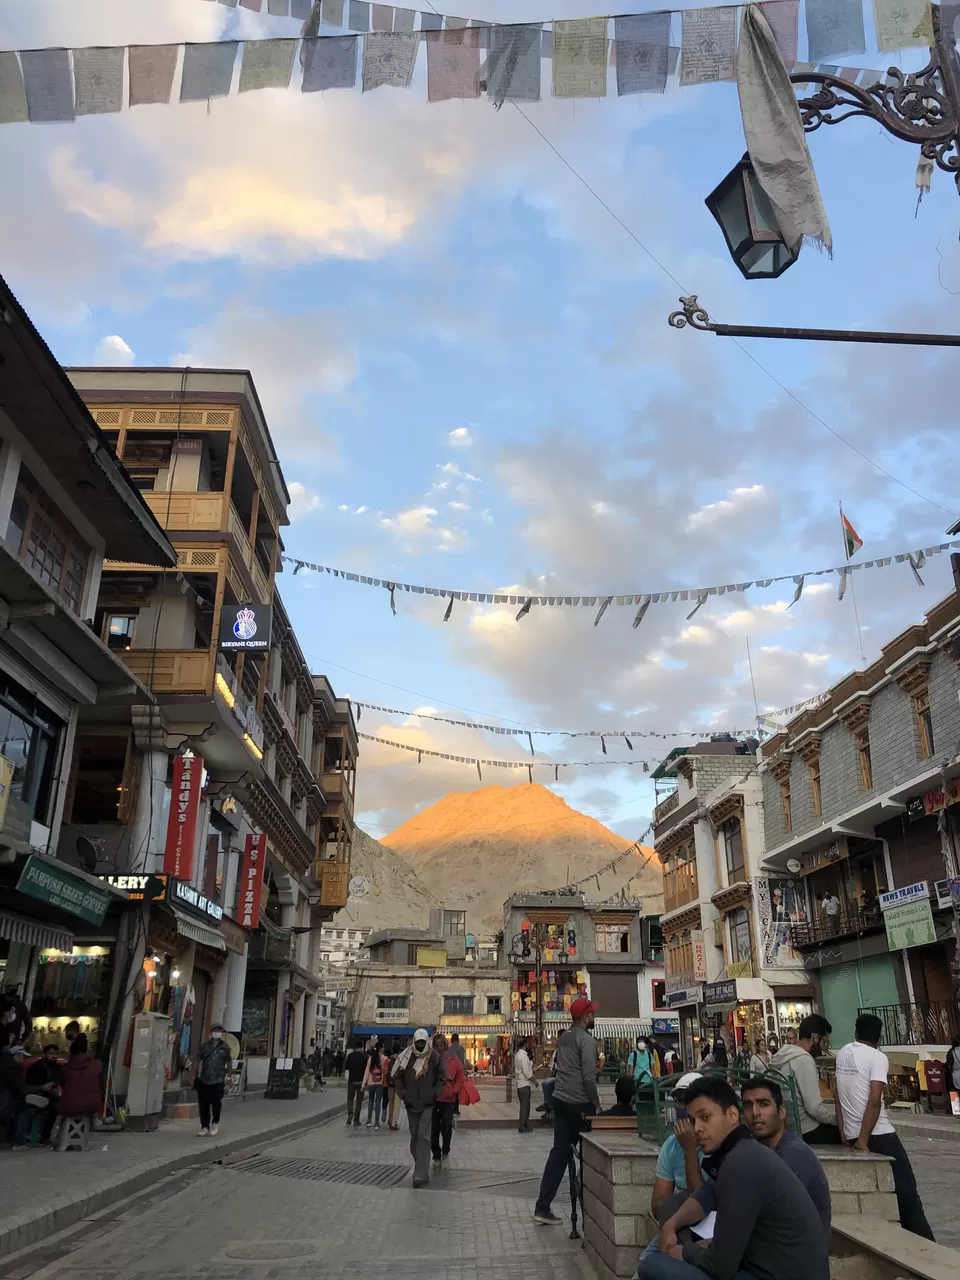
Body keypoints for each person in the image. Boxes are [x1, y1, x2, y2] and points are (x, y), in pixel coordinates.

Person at [640, 1075, 828, 1280]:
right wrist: (671, 1224)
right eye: (693, 1121)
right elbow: (708, 1191)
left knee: (653, 1266)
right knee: (672, 1211)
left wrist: (685, 1251)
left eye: (706, 1118)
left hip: (774, 1272)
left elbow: (719, 1265)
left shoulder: (744, 1162)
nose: (697, 1129)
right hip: (761, 1263)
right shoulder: (741, 1152)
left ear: (731, 1115)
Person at [834, 1014, 934, 1240]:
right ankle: (927, 1247)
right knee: (908, 1195)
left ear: (856, 1033)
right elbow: (874, 1099)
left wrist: (844, 1133)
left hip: (851, 1134)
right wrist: (863, 1139)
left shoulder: (842, 1054)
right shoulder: (877, 1057)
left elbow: (837, 1095)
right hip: (879, 1134)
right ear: (879, 1037)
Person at [533, 997, 600, 1226]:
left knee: (559, 1153)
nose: (594, 1017)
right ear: (585, 1017)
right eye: (592, 1013)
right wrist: (597, 1104)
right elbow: (589, 1077)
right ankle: (592, 1208)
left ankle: (542, 1207)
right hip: (579, 1104)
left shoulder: (563, 1038)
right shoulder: (586, 1040)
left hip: (560, 1100)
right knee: (592, 1153)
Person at [769, 1014, 840, 1145]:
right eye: (824, 1042)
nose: (824, 1048)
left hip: (788, 1125)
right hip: (807, 1129)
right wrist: (836, 1119)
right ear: (815, 1038)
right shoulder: (803, 1060)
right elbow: (813, 1108)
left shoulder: (782, 1056)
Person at [392, 1028, 445, 1188]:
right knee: (415, 1138)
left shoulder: (433, 1057)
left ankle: (420, 1174)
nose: (421, 1045)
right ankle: (421, 1167)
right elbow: (397, 1078)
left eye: (423, 1042)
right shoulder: (406, 1057)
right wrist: (404, 1095)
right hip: (411, 1104)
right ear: (415, 1042)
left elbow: (441, 1079)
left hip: (427, 1105)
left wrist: (434, 1094)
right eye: (419, 1043)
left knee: (423, 1136)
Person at [650, 1073, 705, 1225]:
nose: (685, 1108)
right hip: (678, 1226)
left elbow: (701, 1206)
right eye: (680, 1101)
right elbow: (658, 1208)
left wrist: (690, 1150)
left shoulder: (716, 1143)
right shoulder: (671, 1145)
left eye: (689, 1101)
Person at [192, 1023, 231, 1137]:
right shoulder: (205, 1046)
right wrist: (193, 1075)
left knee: (216, 1103)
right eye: (215, 1030)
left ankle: (215, 1122)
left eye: (219, 1031)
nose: (217, 1032)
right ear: (211, 1032)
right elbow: (197, 1060)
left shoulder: (225, 1047)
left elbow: (228, 1062)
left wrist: (229, 1076)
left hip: (218, 1079)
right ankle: (204, 1126)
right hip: (204, 1079)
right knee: (203, 1104)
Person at [431, 1033, 465, 1164]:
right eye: (437, 1045)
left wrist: (454, 1090)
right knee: (433, 1129)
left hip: (448, 1099)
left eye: (441, 1045)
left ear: (446, 1045)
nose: (439, 1048)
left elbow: (460, 1076)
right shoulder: (431, 1059)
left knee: (446, 1127)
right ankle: (436, 1153)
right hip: (434, 1099)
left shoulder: (453, 1059)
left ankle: (445, 1150)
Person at [58, 1037, 104, 1130]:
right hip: (92, 1106)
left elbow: (62, 1083)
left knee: (58, 1108)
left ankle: (56, 1134)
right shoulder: (97, 1065)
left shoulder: (66, 1067)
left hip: (69, 1106)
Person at [24, 1043, 64, 1145]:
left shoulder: (57, 1067)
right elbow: (29, 1084)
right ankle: (45, 1137)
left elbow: (60, 1081)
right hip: (38, 1094)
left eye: (55, 1054)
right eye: (51, 1053)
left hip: (52, 1094)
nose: (53, 1056)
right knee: (54, 1109)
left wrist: (58, 1086)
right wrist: (44, 1086)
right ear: (45, 1054)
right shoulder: (35, 1067)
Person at [0, 1042, 30, 1149]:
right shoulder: (12, 1068)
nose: (24, 1059)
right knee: (22, 1108)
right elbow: (18, 1088)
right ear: (17, 1055)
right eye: (23, 1056)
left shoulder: (5, 1064)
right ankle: (19, 1142)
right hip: (4, 1101)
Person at [362, 1043, 387, 1129]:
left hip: (371, 1083)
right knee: (378, 1102)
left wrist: (363, 1084)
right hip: (380, 1083)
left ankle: (369, 1121)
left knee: (371, 1101)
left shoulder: (370, 1059)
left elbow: (366, 1072)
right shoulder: (384, 1059)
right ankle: (376, 1123)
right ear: (380, 1049)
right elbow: (385, 1071)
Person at [515, 1035, 536, 1133]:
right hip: (524, 1083)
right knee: (525, 1106)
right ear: (524, 1045)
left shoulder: (518, 1055)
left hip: (520, 1083)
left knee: (526, 1105)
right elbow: (526, 1072)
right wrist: (533, 1080)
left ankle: (525, 1122)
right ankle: (522, 1124)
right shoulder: (523, 1056)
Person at [344, 1041, 367, 1126]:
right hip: (360, 1081)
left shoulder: (350, 1056)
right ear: (361, 1047)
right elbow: (366, 1070)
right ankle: (356, 1119)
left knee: (350, 1098)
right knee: (359, 1101)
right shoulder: (364, 1057)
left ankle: (350, 1113)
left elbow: (347, 1067)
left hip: (351, 1081)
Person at [385, 1040, 402, 1130]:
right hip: (398, 1085)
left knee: (390, 1103)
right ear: (399, 1051)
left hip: (390, 1084)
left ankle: (389, 1119)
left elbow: (385, 1072)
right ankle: (394, 1122)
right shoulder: (401, 1059)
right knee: (397, 1103)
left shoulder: (388, 1060)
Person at [449, 1032, 467, 1116]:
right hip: (458, 1072)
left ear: (451, 1040)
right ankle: (456, 1108)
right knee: (457, 1090)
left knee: (451, 1089)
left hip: (450, 1072)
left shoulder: (449, 1049)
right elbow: (462, 1062)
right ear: (458, 1040)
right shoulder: (461, 1049)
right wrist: (464, 1073)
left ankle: (451, 1107)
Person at [947, 1035, 960, 1104]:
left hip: (956, 1075)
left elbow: (949, 1064)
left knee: (957, 1091)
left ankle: (957, 1108)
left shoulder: (951, 1052)